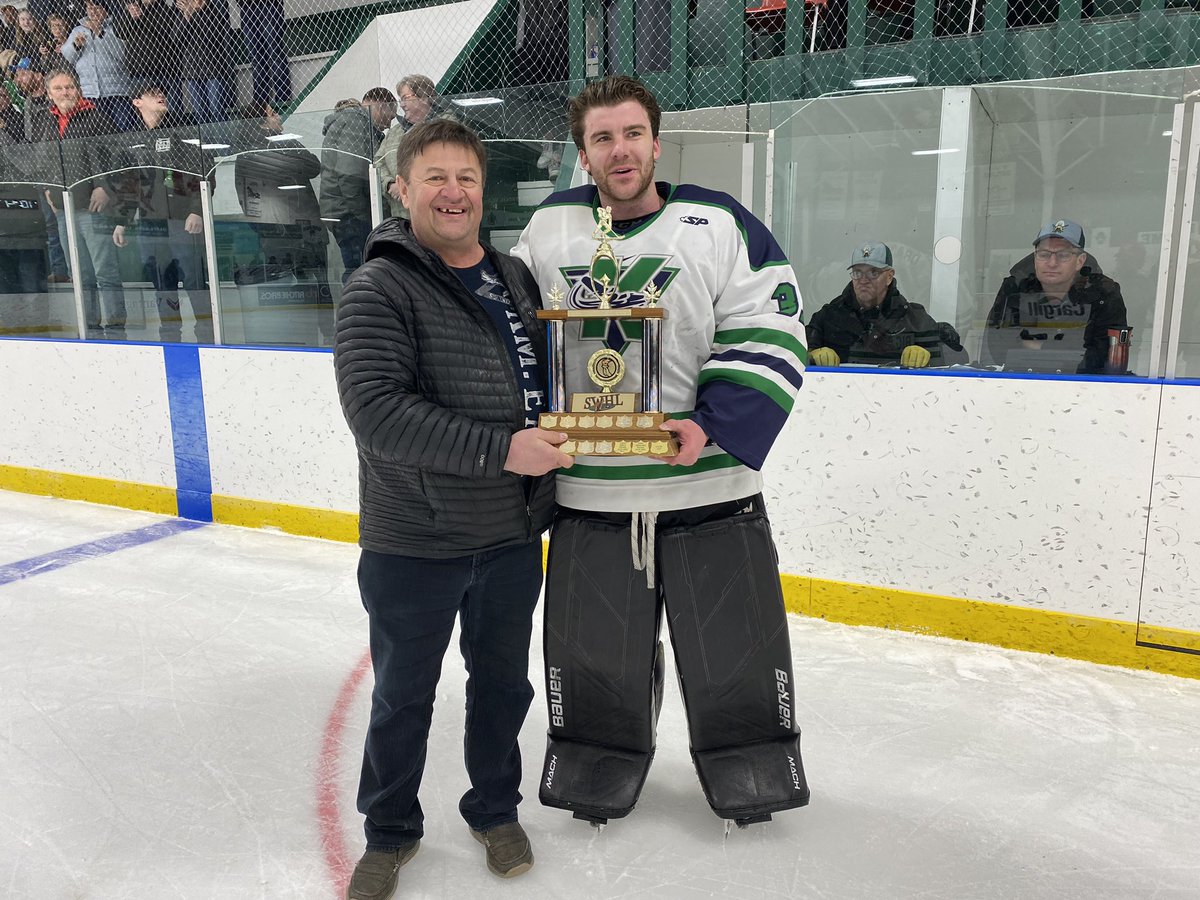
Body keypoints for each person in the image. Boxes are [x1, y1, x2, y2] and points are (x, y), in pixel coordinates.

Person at [511, 75, 811, 826]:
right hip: (591, 497)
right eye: (604, 138)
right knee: (592, 660)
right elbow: (515, 337)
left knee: (737, 652)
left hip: (710, 492)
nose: (621, 150)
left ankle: (753, 763)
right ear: (584, 152)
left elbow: (772, 330)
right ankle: (593, 759)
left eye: (633, 133)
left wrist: (710, 425)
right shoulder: (548, 230)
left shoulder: (717, 223)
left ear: (656, 139)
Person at [333, 118, 571, 899]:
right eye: (434, 177)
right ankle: (390, 830)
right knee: (405, 693)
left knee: (503, 684)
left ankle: (494, 807)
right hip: (415, 540)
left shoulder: (514, 277)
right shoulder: (380, 285)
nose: (453, 192)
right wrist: (504, 450)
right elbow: (377, 412)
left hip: (508, 534)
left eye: (466, 177)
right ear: (402, 190)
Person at [29, 67, 125, 338]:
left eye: (69, 86)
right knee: (80, 274)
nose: (64, 92)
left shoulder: (95, 116)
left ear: (78, 89)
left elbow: (118, 156)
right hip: (62, 211)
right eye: (58, 88)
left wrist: (105, 188)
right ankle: (90, 326)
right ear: (49, 93)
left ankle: (116, 325)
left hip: (92, 209)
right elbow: (39, 160)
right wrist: (47, 191)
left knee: (104, 271)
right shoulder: (44, 120)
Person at [111, 83, 212, 341]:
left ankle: (209, 335)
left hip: (182, 222)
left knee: (193, 279)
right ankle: (169, 337)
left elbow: (204, 173)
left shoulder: (185, 130)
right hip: (151, 226)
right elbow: (127, 186)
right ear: (137, 102)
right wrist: (121, 222)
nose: (160, 95)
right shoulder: (133, 143)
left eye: (161, 92)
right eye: (151, 93)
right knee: (161, 282)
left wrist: (196, 210)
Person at [228, 101, 332, 343]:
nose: (279, 118)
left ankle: (308, 336)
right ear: (263, 120)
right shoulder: (279, 144)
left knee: (303, 285)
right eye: (273, 113)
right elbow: (312, 166)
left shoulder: (250, 151)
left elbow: (312, 166)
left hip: (284, 230)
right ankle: (321, 336)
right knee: (310, 285)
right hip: (295, 229)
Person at [983, 218, 1128, 374]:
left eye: (1063, 255)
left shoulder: (1104, 292)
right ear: (1035, 258)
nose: (1052, 263)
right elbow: (998, 346)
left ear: (1080, 261)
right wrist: (1067, 348)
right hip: (1020, 379)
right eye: (1044, 254)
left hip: (1083, 385)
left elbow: (1103, 356)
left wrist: (1036, 344)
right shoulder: (1015, 287)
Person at [806, 240, 963, 367]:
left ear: (889, 276)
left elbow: (946, 367)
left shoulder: (915, 319)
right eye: (857, 273)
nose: (863, 280)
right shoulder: (829, 317)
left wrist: (926, 356)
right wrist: (811, 355)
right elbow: (792, 355)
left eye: (873, 273)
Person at [319, 86, 394, 277]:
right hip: (351, 214)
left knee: (358, 269)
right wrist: (365, 216)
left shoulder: (350, 122)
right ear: (380, 106)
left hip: (342, 210)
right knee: (360, 271)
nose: (388, 125)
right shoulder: (356, 122)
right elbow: (350, 175)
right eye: (389, 117)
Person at [373, 75, 455, 219]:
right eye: (401, 99)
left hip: (437, 216)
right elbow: (378, 162)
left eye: (405, 98)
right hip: (401, 217)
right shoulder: (394, 132)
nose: (402, 105)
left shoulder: (447, 126)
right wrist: (390, 184)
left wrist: (409, 188)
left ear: (424, 98)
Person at [60, 1, 135, 131]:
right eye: (89, 7)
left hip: (117, 91)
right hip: (89, 93)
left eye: (97, 8)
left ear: (106, 10)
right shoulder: (78, 29)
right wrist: (76, 46)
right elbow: (68, 56)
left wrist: (100, 33)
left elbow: (122, 55)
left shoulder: (116, 27)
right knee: (96, 132)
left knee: (123, 130)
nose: (93, 11)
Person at [115, 0, 182, 115]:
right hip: (139, 71)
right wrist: (131, 16)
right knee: (146, 113)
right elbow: (120, 32)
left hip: (167, 69)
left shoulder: (165, 8)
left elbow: (167, 27)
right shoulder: (132, 8)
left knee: (172, 111)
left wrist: (144, 13)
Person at [173, 0, 230, 123]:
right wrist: (187, 16)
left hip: (213, 69)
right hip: (191, 70)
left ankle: (223, 141)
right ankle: (205, 141)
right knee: (200, 112)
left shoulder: (214, 11)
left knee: (217, 110)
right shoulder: (182, 14)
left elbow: (210, 35)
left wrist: (193, 13)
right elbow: (176, 38)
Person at [237, 0, 290, 107]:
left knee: (275, 53)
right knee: (256, 58)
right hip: (246, 8)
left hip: (269, 5)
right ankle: (260, 103)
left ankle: (282, 98)